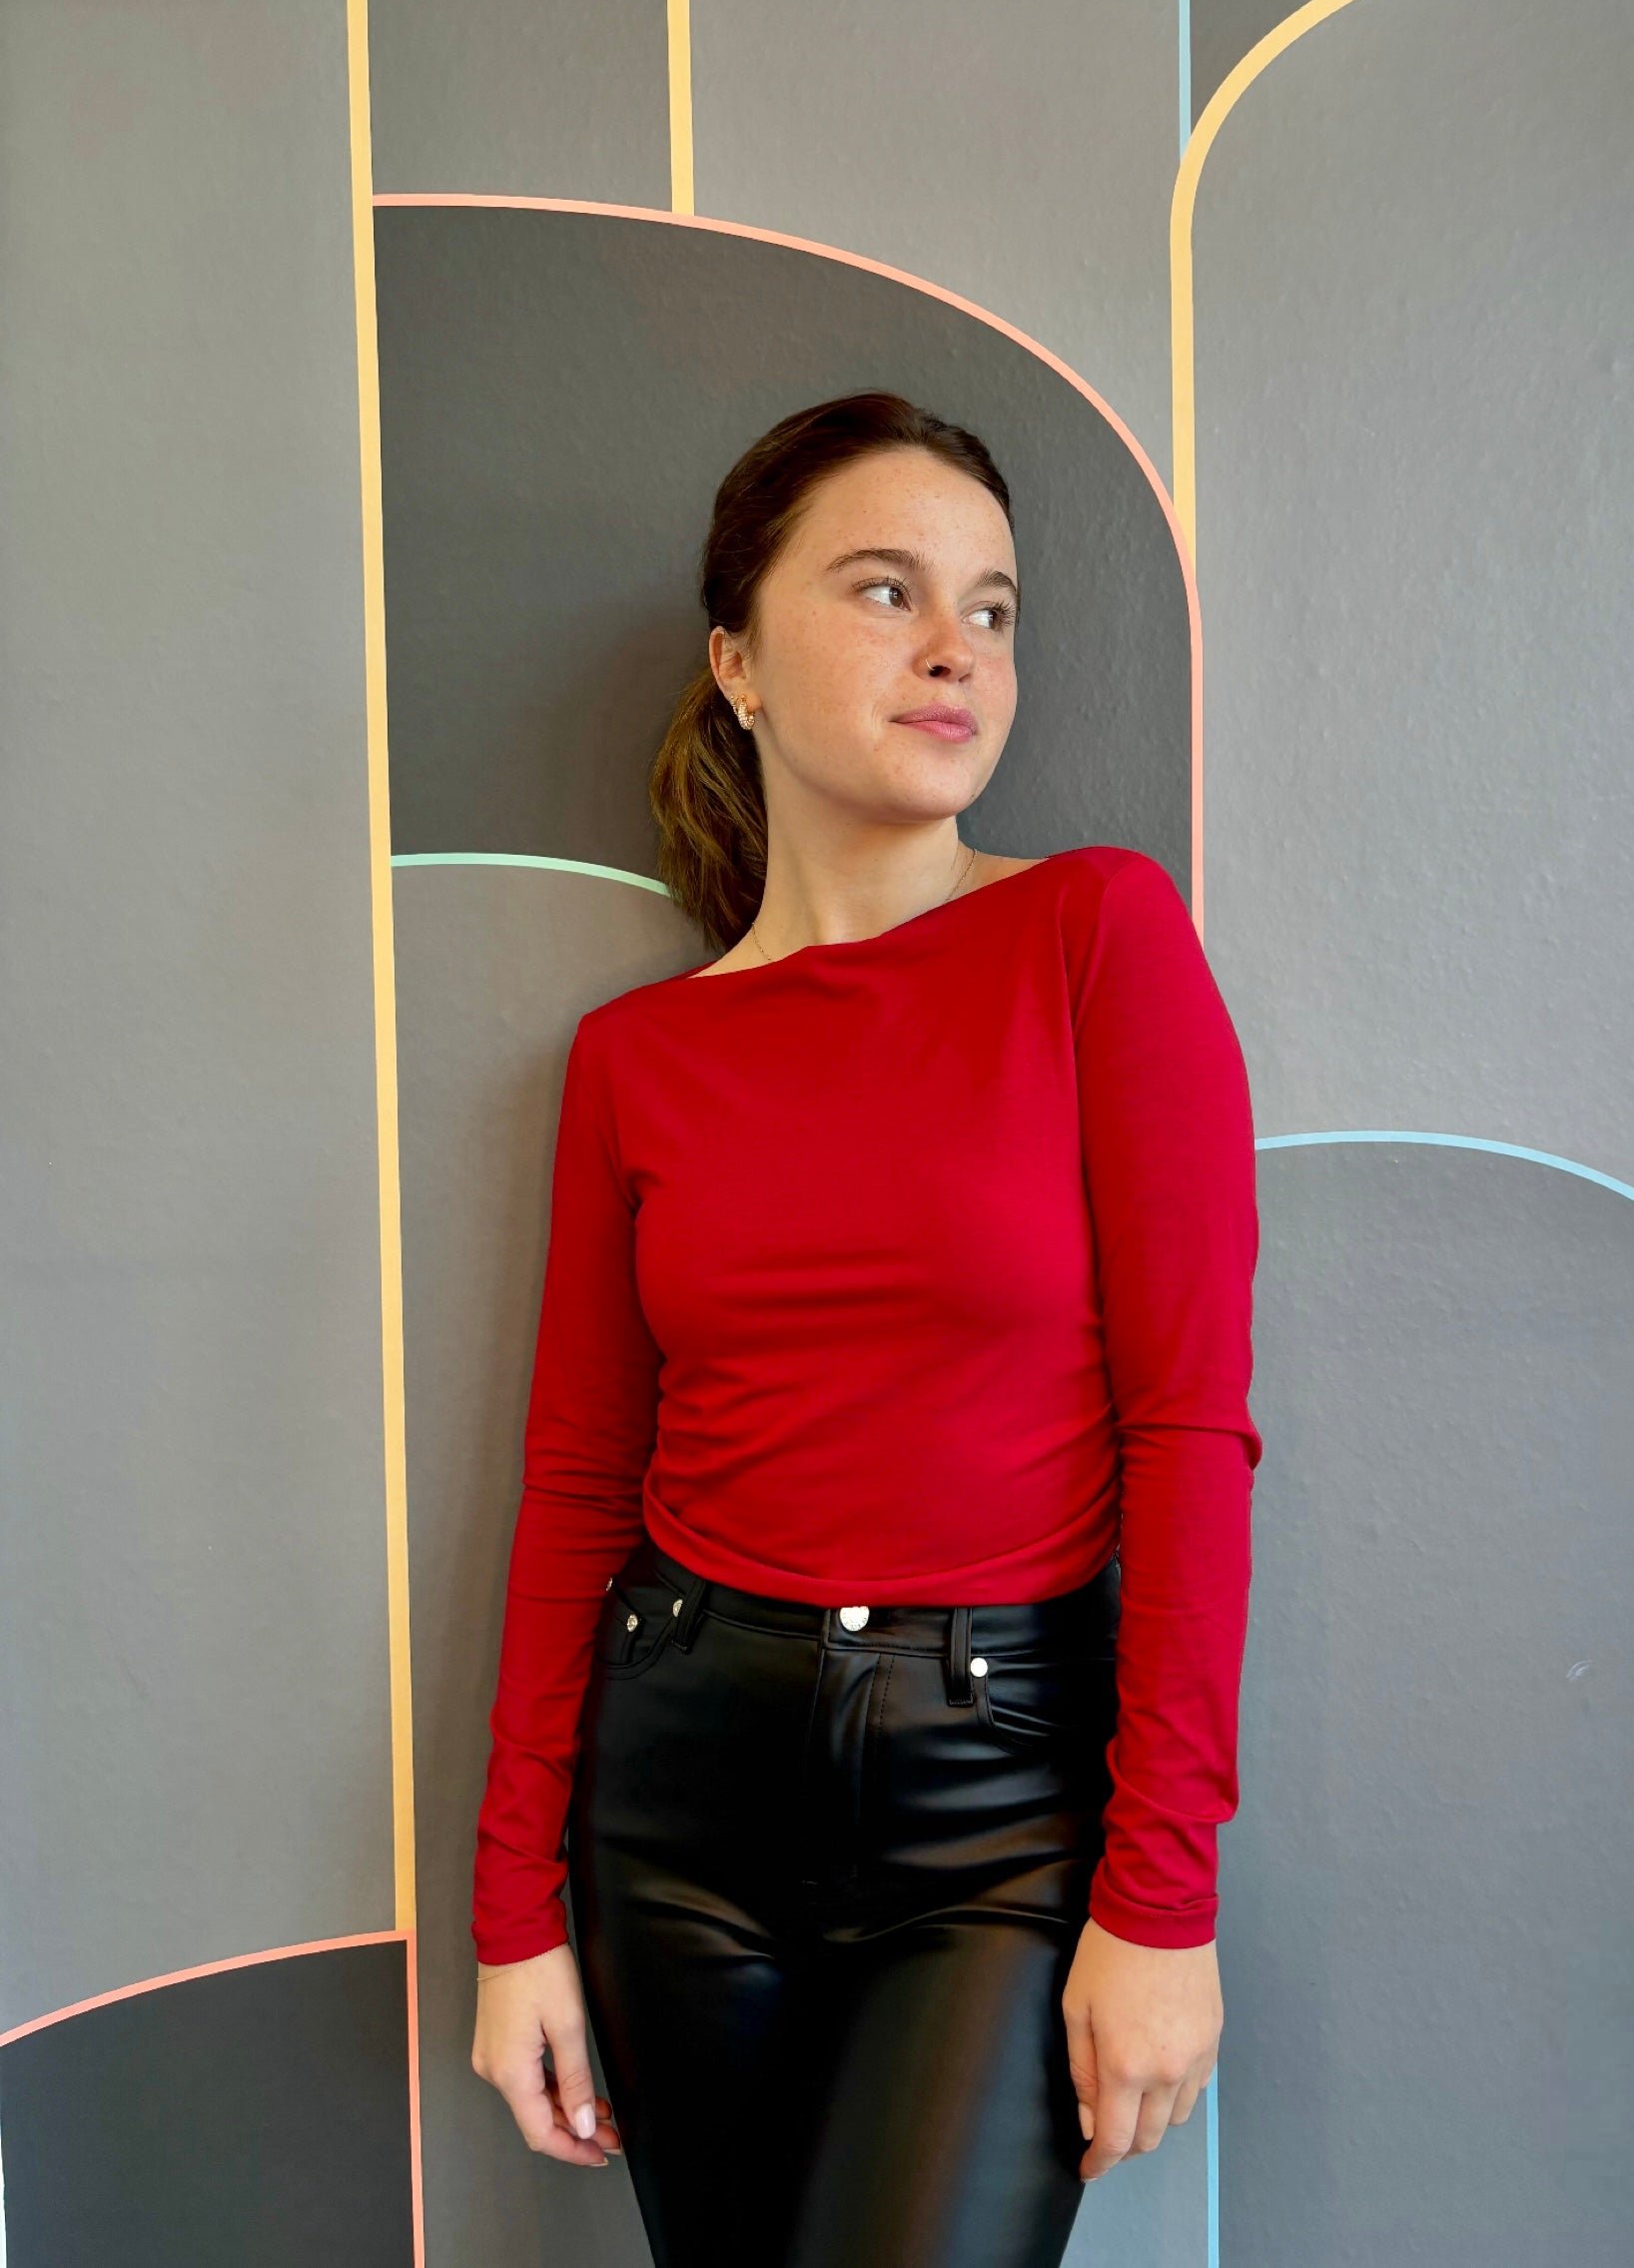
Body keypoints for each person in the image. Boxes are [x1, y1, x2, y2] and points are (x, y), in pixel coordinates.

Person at [468, 390, 1263, 2268]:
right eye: (886, 590)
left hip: (1000, 1811)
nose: (953, 649)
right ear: (735, 662)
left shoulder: (1094, 936)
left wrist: (1162, 1900)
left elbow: (1190, 1434)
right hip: (676, 1800)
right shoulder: (635, 1058)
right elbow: (577, 1483)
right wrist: (514, 1913)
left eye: (990, 608)